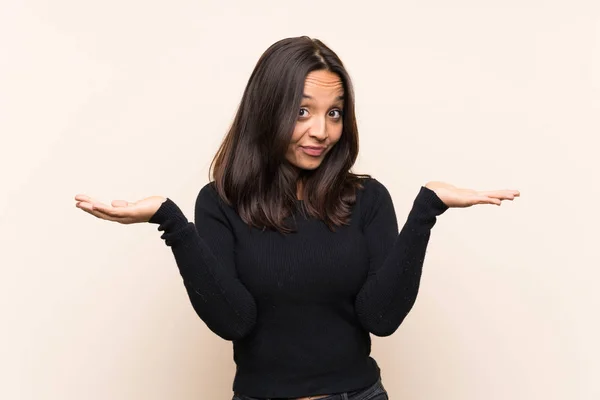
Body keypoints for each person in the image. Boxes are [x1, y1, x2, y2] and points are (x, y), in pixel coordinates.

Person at [74, 36, 520, 400]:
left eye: (334, 113)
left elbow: (381, 318)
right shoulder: (219, 203)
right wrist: (170, 222)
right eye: (302, 111)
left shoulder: (367, 199)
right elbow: (234, 321)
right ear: (267, 110)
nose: (321, 131)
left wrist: (427, 211)